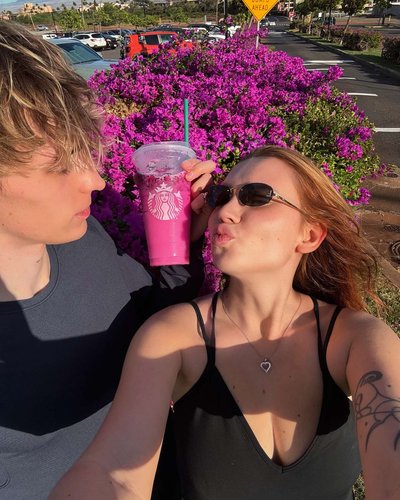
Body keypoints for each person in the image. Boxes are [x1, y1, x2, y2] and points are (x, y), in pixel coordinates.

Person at [50, 145, 400, 499]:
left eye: (257, 196)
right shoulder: (171, 336)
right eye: (221, 196)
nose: (226, 211)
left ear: (309, 235)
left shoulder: (357, 339)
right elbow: (117, 471)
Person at [0, 21, 215, 500]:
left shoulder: (82, 238)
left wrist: (179, 243)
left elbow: (150, 323)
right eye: (60, 165)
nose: (95, 181)